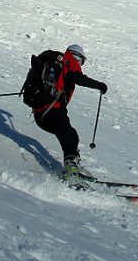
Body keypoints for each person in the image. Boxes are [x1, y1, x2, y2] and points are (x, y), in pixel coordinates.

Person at [32, 44, 108, 186]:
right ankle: (71, 169)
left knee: (70, 135)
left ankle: (73, 164)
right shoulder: (68, 61)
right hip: (52, 109)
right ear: (77, 57)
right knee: (69, 135)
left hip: (40, 113)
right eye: (82, 61)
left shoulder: (58, 63)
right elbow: (77, 77)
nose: (81, 65)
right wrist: (99, 85)